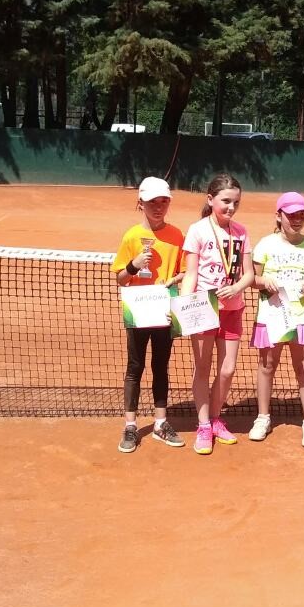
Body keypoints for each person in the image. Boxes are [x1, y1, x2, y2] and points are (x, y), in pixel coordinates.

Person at [180, 173, 254, 455]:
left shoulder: (242, 232)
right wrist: (184, 307)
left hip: (233, 310)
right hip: (203, 308)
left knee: (227, 369)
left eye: (236, 202)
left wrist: (236, 287)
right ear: (210, 199)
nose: (231, 207)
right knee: (202, 367)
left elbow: (249, 274)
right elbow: (190, 274)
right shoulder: (197, 230)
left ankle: (215, 418)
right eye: (226, 201)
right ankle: (203, 425)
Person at [112, 176, 187, 452]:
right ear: (140, 203)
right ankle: (130, 426)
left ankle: (160, 423)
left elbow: (184, 271)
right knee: (135, 367)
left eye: (164, 201)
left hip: (164, 310)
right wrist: (134, 265)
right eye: (153, 202)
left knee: (160, 366)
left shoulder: (177, 235)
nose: (158, 207)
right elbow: (121, 278)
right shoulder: (132, 237)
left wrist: (173, 280)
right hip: (137, 311)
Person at [248, 191, 304, 449]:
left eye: (301, 214)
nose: (297, 219)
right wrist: (265, 281)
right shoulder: (265, 245)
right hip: (272, 316)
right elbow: (252, 279)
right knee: (267, 367)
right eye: (291, 215)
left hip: (302, 316)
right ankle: (262, 418)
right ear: (279, 216)